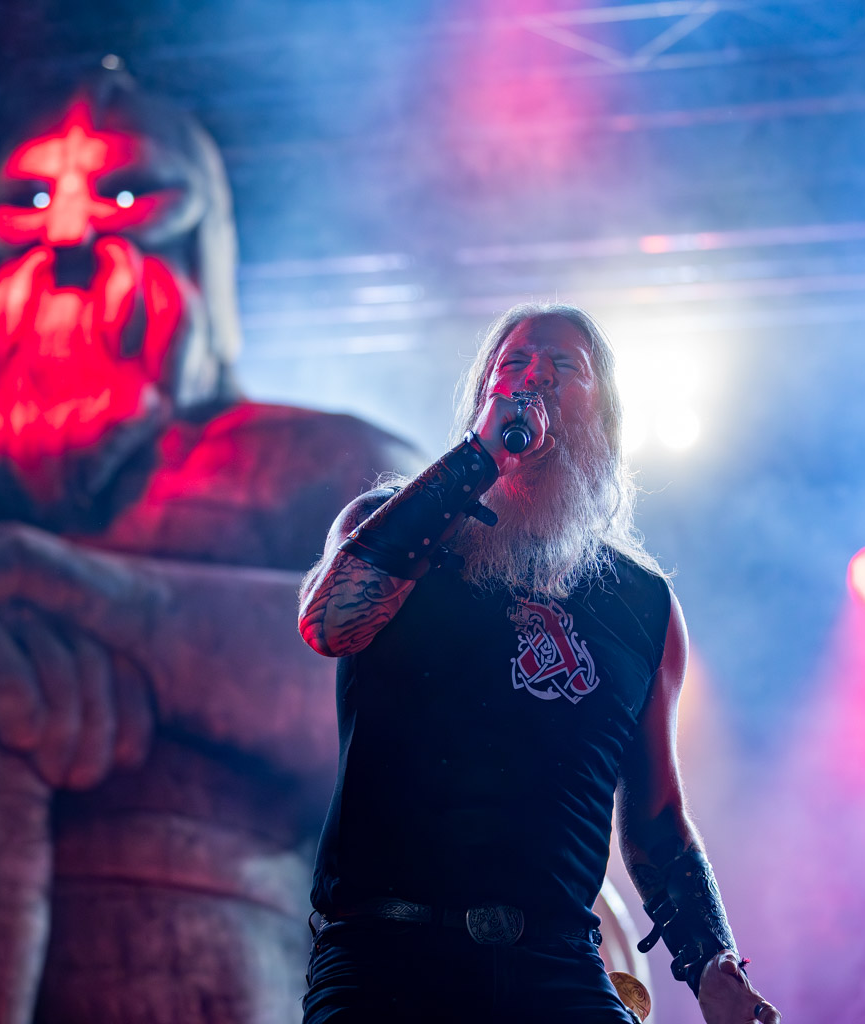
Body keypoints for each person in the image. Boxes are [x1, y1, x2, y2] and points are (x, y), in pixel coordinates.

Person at [0, 71, 417, 1023]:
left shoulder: (328, 471)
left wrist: (114, 611)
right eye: (28, 202)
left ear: (202, 240)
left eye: (127, 194)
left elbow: (464, 707)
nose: (66, 237)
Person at [297, 303, 781, 1023]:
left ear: (605, 419)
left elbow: (656, 818)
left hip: (558, 967)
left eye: (563, 367)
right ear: (483, 403)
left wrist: (713, 960)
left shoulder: (642, 603)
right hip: (386, 958)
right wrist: (476, 459)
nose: (535, 380)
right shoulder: (398, 525)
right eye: (514, 365)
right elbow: (329, 623)